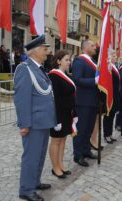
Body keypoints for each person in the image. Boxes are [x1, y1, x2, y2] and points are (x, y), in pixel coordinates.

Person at [14, 35, 56, 201]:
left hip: (44, 121)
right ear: (36, 51)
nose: (47, 52)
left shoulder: (38, 69)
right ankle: (26, 189)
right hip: (33, 123)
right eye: (45, 49)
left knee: (39, 155)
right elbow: (21, 99)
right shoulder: (24, 69)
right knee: (31, 156)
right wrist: (24, 124)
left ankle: (35, 181)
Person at [48, 50, 76, 179]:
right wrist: (56, 119)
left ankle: (60, 164)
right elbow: (54, 99)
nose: (69, 62)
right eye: (66, 59)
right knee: (56, 140)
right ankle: (55, 167)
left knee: (63, 139)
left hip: (67, 113)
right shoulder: (54, 76)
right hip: (58, 114)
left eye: (69, 60)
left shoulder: (67, 75)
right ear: (58, 61)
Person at [72, 40, 98, 167]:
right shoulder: (79, 61)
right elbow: (77, 79)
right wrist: (94, 81)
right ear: (86, 47)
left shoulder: (93, 62)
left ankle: (86, 150)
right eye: (93, 45)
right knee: (81, 129)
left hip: (93, 100)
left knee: (89, 128)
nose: (95, 47)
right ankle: (78, 155)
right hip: (83, 101)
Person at [103, 51, 120, 143]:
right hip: (110, 94)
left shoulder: (115, 67)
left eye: (115, 56)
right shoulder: (109, 67)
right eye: (113, 56)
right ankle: (106, 134)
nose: (115, 57)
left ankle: (110, 133)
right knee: (108, 115)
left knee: (112, 115)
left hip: (115, 94)